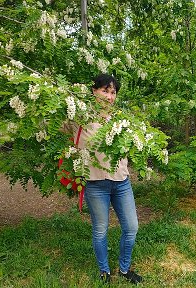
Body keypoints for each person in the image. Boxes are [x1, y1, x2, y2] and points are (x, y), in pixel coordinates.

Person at [68, 74, 142, 285]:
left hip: (121, 182)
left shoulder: (121, 119)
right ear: (94, 91)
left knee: (131, 227)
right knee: (100, 229)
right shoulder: (79, 118)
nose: (109, 97)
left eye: (113, 92)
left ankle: (125, 269)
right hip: (95, 183)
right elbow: (53, 124)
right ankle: (104, 271)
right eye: (105, 91)